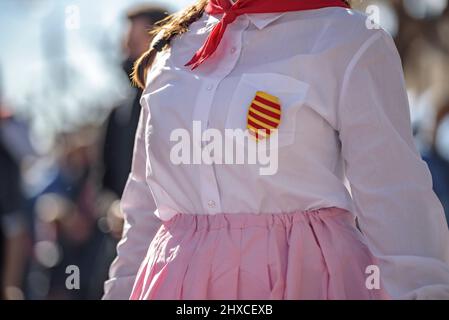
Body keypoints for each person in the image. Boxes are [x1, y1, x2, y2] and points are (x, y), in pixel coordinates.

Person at [104, 0, 449, 300]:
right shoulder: (169, 50)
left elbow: (395, 200)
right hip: (174, 284)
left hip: (309, 281)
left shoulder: (349, 39)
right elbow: (145, 213)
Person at [100, 5, 169, 299]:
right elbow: (102, 183)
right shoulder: (116, 115)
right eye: (126, 42)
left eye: (135, 41)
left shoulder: (176, 103)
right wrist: (114, 208)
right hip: (123, 244)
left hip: (172, 247)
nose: (126, 49)